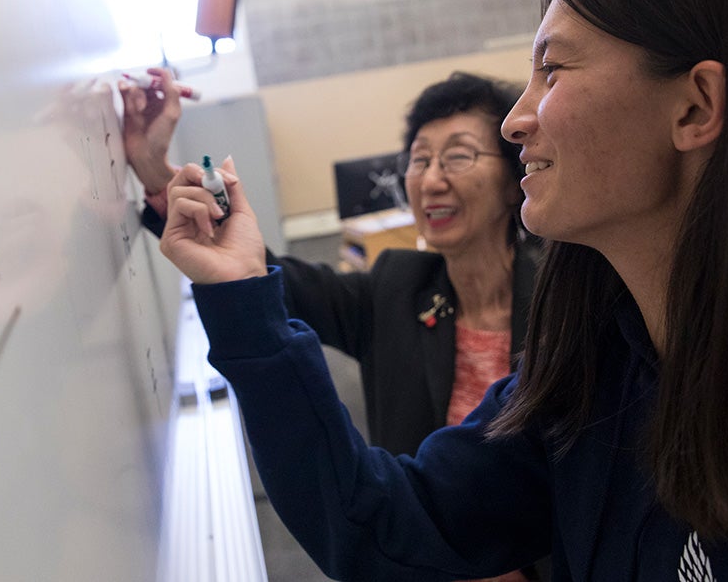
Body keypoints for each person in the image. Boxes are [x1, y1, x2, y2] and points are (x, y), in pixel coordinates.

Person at [155, 0, 728, 580]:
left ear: (696, 106)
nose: (518, 120)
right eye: (419, 160)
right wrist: (239, 290)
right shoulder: (598, 360)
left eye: (553, 68)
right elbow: (386, 524)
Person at [122, 71, 545, 581]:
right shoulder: (397, 287)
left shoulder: (563, 300)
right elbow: (277, 280)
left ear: (510, 179)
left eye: (458, 156)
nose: (432, 179)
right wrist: (154, 174)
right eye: (419, 160)